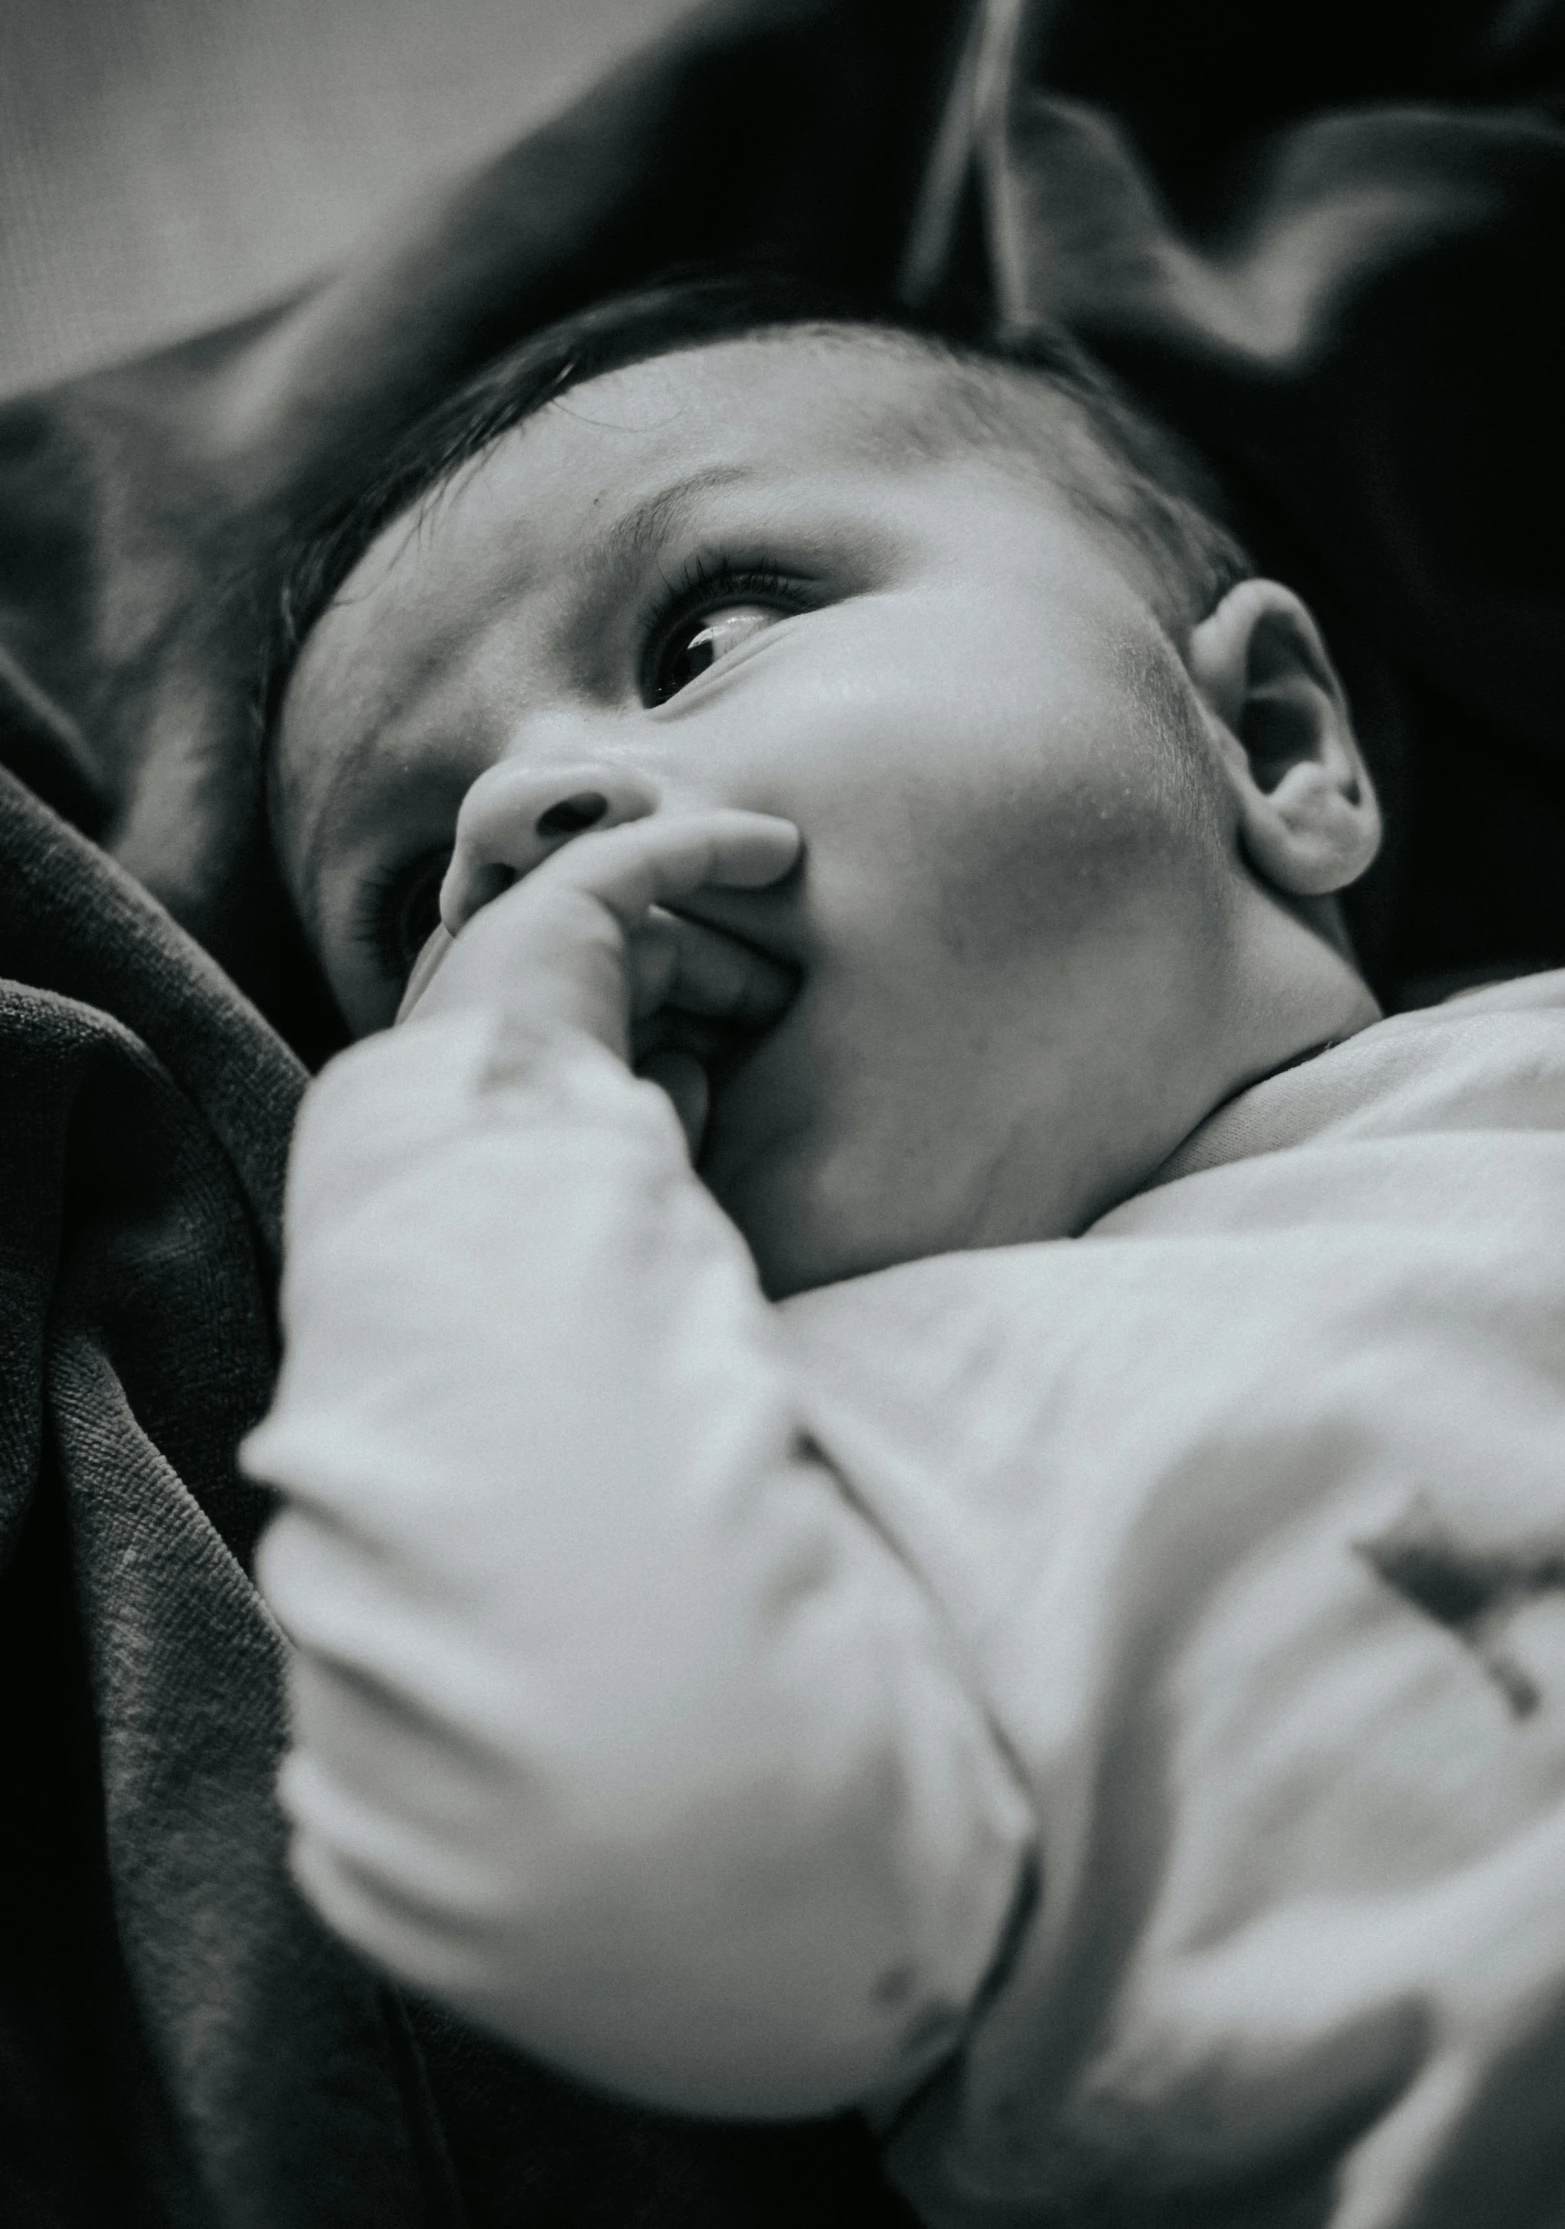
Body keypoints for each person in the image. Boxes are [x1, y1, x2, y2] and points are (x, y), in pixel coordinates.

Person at [244, 282, 1565, 2228]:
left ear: (1266, 739)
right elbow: (661, 1860)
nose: (517, 826)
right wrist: (474, 1112)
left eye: (701, 631)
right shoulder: (755, 1501)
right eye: (410, 904)